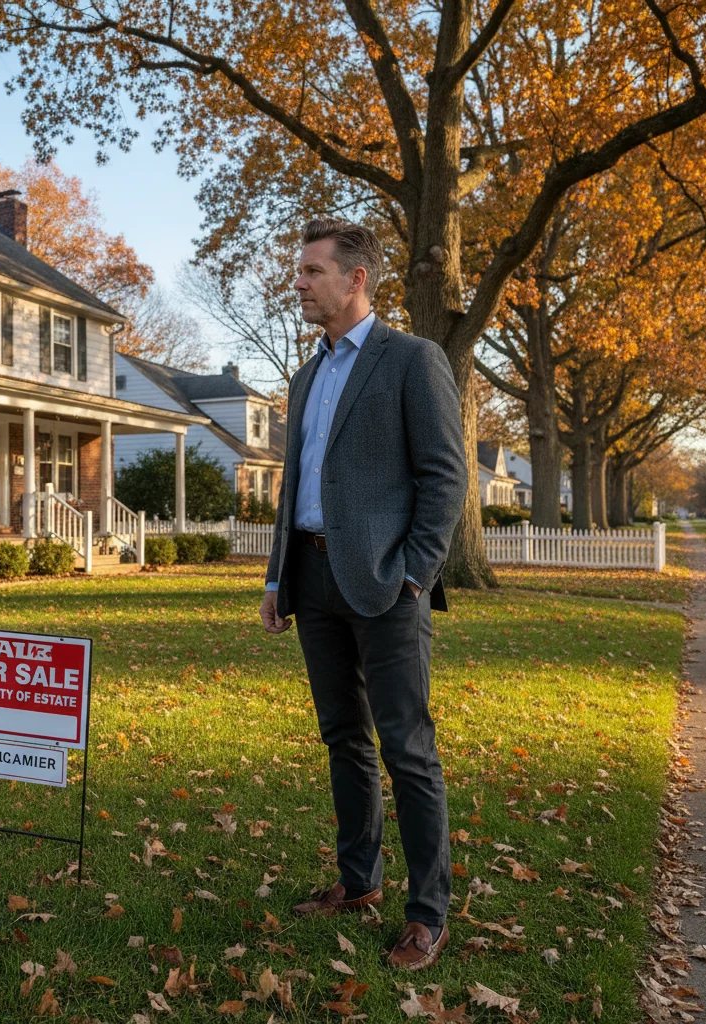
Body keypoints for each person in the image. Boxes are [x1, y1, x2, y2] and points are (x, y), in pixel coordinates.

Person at [259, 218, 468, 971]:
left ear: (356, 279)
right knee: (342, 738)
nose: (300, 283)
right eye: (301, 270)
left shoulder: (412, 359)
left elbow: (446, 475)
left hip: (387, 583)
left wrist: (416, 571)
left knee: (408, 749)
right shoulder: (306, 375)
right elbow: (296, 484)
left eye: (312, 270)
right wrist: (279, 576)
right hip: (311, 579)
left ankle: (427, 913)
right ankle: (358, 882)